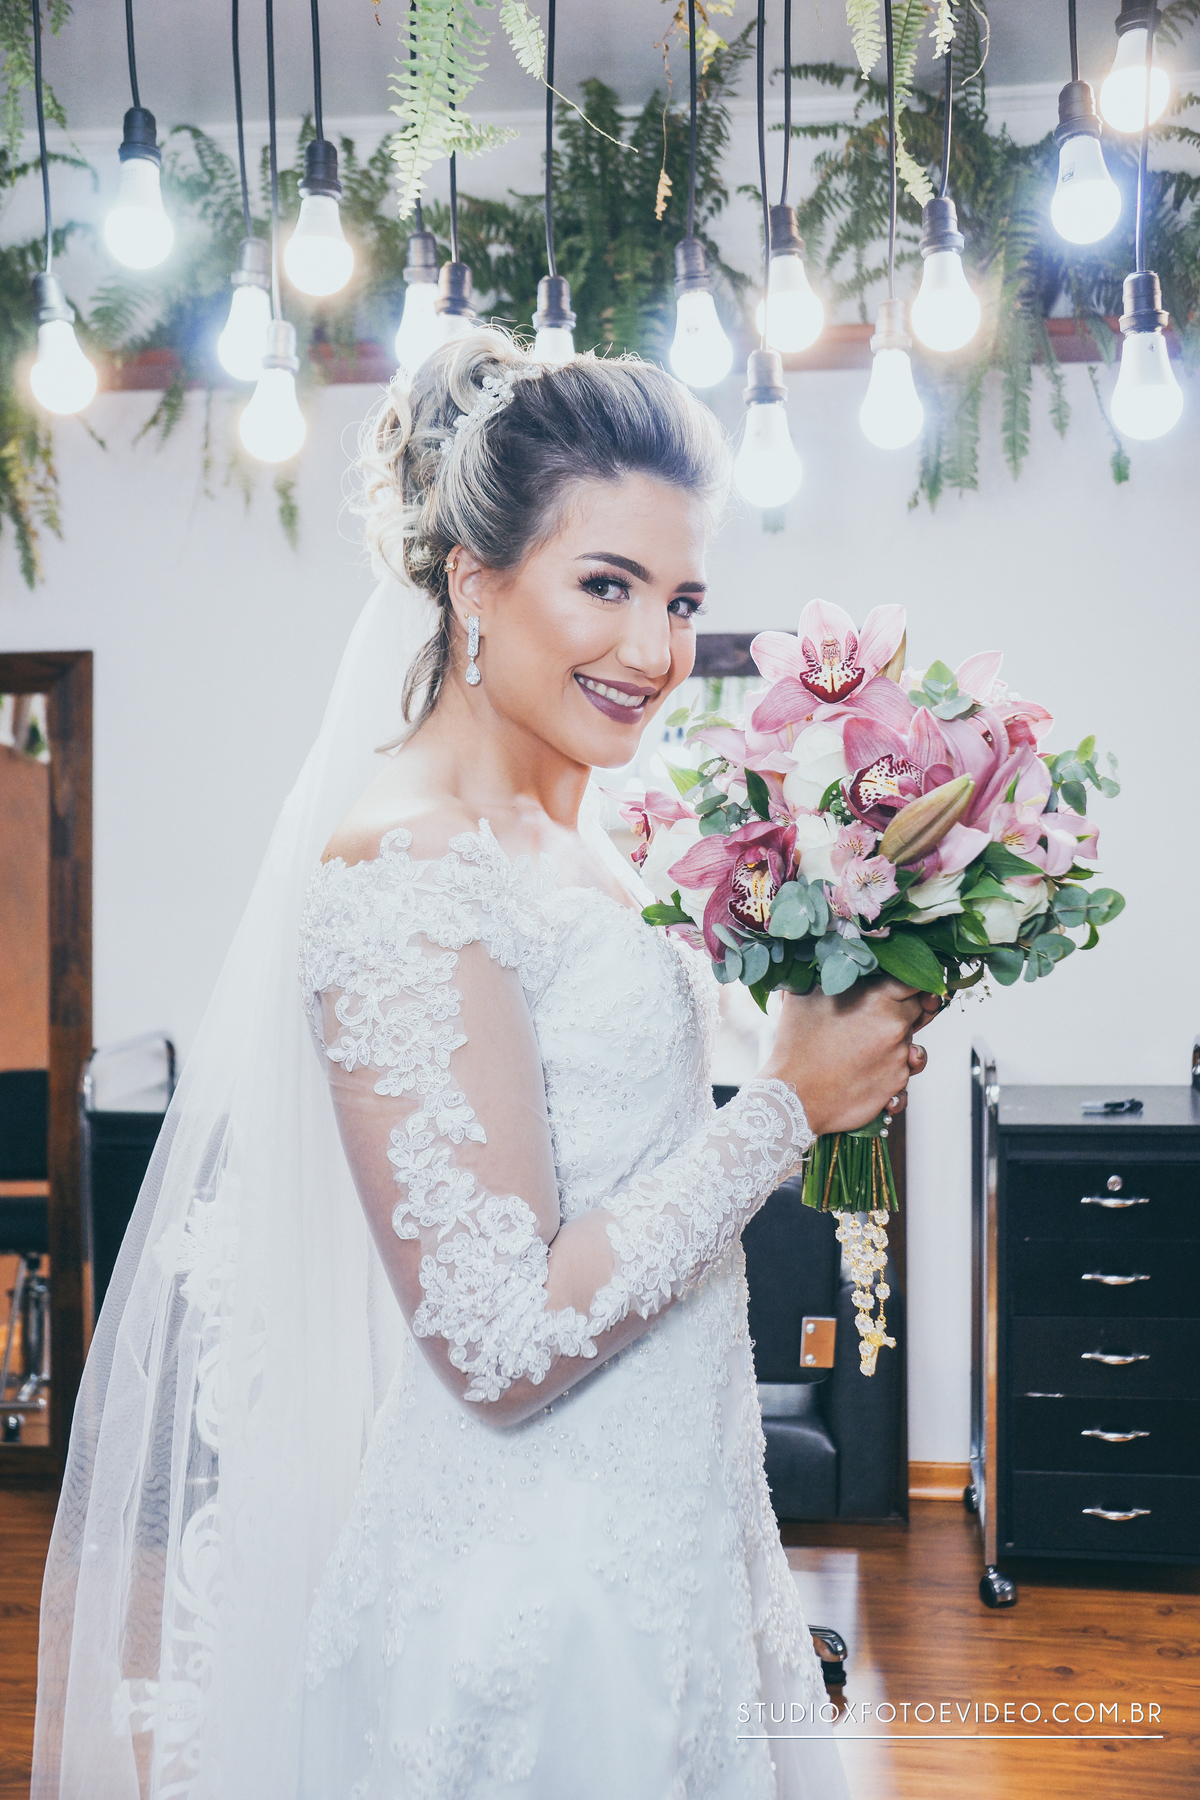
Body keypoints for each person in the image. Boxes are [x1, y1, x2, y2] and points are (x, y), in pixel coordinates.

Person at [33, 331, 934, 1800]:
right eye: (606, 585)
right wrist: (786, 1108)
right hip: (542, 1600)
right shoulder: (407, 865)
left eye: (681, 599)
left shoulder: (591, 838)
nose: (654, 650)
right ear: (472, 581)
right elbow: (496, 1340)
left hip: (688, 1545)